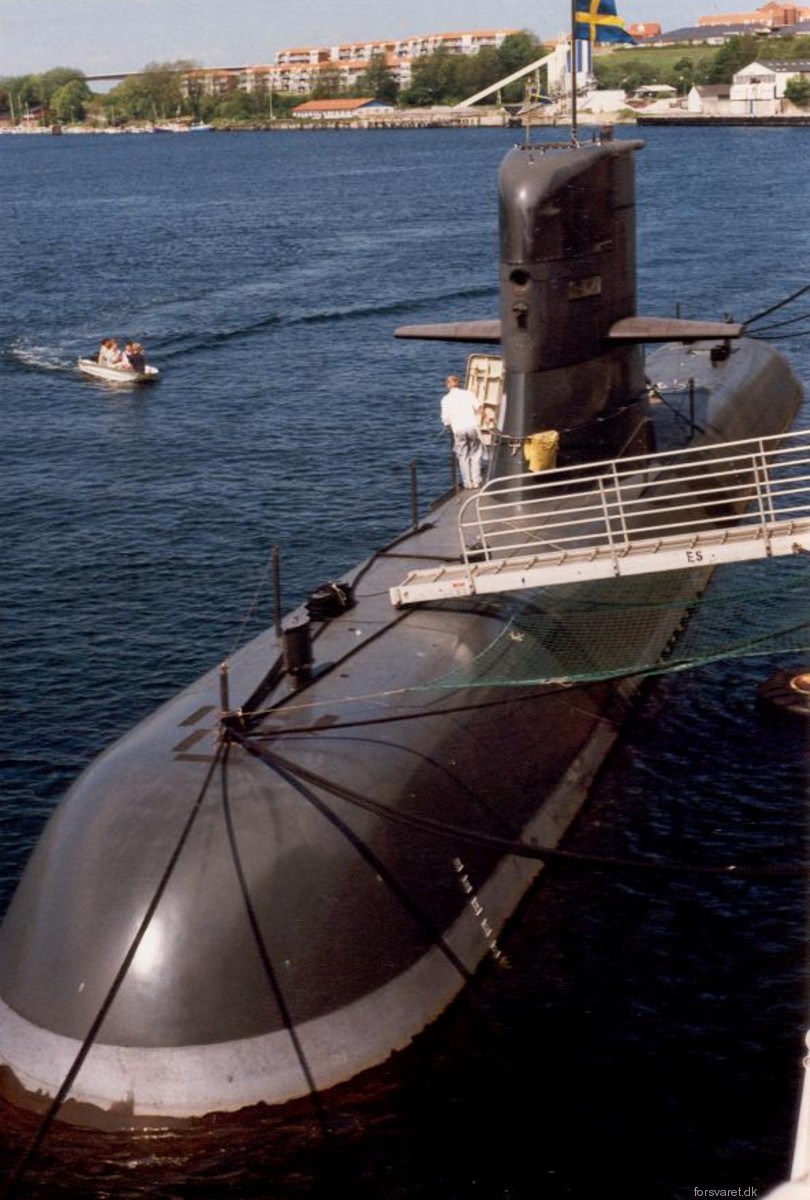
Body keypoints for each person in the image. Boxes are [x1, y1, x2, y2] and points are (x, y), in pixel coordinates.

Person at [440, 373, 484, 489]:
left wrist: (449, 424)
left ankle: (467, 483)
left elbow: (446, 420)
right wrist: (487, 418)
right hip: (472, 427)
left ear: (448, 385)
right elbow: (479, 408)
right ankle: (476, 481)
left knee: (463, 456)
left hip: (458, 430)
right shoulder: (468, 393)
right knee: (475, 454)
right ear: (458, 383)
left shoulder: (445, 399)